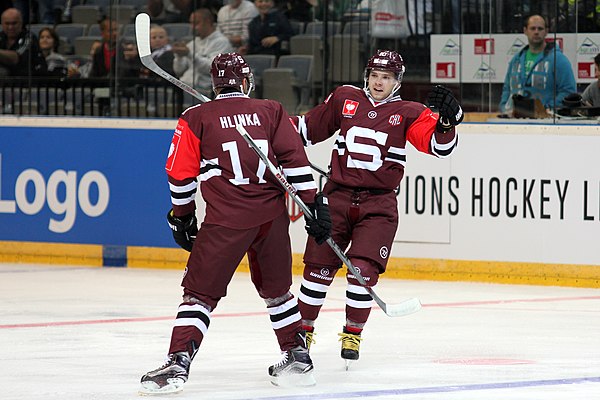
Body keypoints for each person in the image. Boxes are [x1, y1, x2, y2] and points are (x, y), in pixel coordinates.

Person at [138, 52, 332, 394]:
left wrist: (182, 217)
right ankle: (297, 355)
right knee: (277, 292)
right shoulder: (271, 110)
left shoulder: (195, 117)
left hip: (226, 220)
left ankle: (178, 362)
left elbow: (180, 176)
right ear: (245, 81)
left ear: (214, 84)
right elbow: (296, 162)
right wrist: (315, 205)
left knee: (199, 294)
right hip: (272, 220)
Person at [289, 49, 461, 366]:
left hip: (379, 203)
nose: (378, 82)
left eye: (386, 77)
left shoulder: (411, 112)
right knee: (317, 271)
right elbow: (305, 130)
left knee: (363, 272)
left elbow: (439, 146)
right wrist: (267, 125)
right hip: (337, 197)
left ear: (397, 81)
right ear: (366, 75)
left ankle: (352, 332)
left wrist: (447, 124)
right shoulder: (344, 98)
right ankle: (302, 334)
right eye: (375, 75)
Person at [499, 14, 576, 115]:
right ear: (525, 31)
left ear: (546, 32)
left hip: (545, 123)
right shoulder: (516, 59)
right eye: (532, 28)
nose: (536, 32)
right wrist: (504, 107)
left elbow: (568, 92)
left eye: (540, 29)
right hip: (514, 122)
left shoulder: (559, 60)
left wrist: (546, 109)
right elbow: (507, 88)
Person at [173, 8, 233, 96]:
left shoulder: (222, 42)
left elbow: (212, 69)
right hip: (185, 87)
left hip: (206, 90)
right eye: (191, 23)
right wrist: (179, 56)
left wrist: (189, 54)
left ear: (208, 22)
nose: (192, 27)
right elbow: (178, 71)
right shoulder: (192, 43)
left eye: (196, 23)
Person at [0, 8, 46, 76]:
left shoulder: (29, 37)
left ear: (21, 22)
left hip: (29, 80)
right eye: (7, 23)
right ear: (2, 24)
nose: (10, 27)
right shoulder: (1, 37)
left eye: (14, 23)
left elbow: (16, 58)